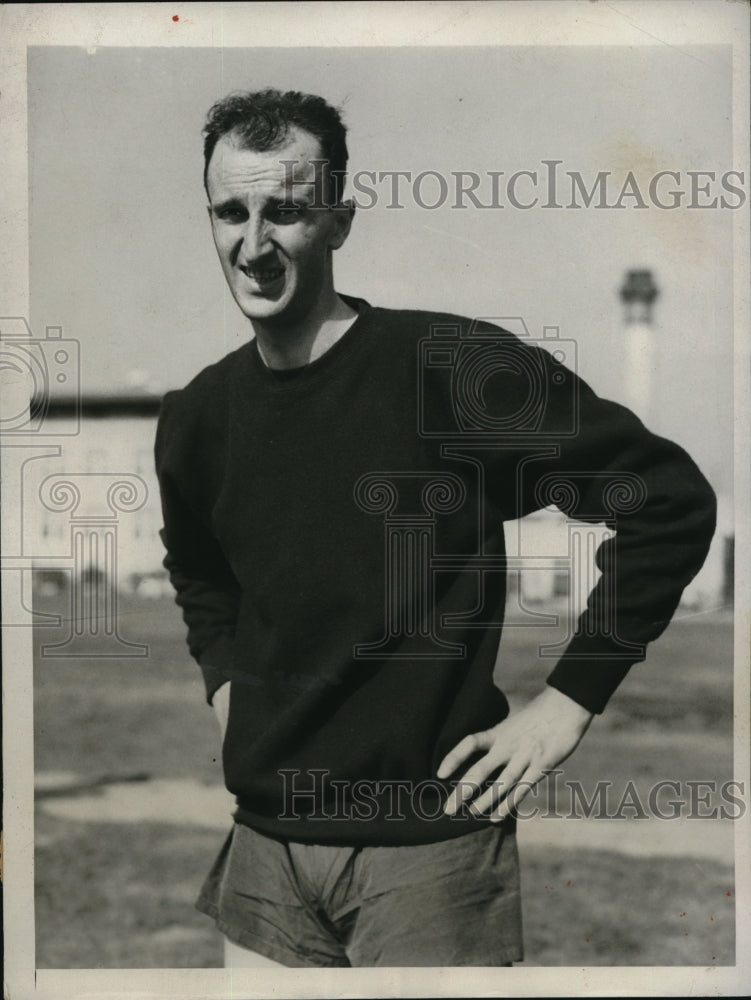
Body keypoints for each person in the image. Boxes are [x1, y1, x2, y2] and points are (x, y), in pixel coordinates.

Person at [155, 88, 716, 968]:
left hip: (430, 859)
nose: (253, 243)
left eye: (286, 211)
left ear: (338, 221)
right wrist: (228, 691)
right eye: (231, 210)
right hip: (265, 856)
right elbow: (199, 574)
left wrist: (569, 701)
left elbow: (667, 499)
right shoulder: (196, 417)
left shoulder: (450, 372)